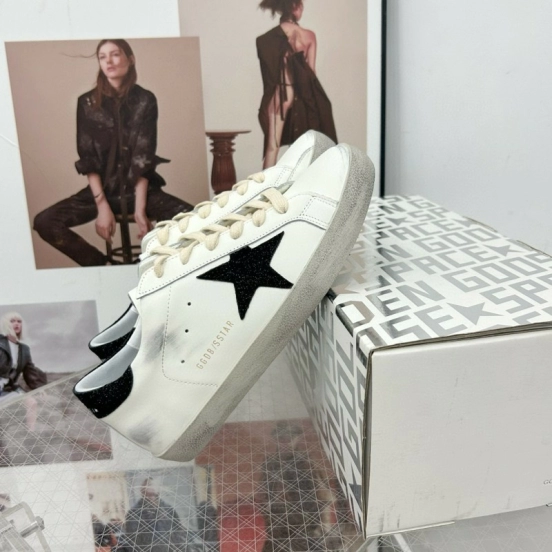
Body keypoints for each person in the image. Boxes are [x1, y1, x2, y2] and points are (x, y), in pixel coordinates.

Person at [33, 39, 193, 267]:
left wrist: (140, 210)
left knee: (194, 219)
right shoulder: (87, 102)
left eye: (115, 54)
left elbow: (143, 158)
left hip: (138, 191)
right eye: (102, 57)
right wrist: (101, 205)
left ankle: (144, 266)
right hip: (102, 191)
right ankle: (103, 266)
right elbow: (88, 159)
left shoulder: (145, 100)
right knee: (45, 222)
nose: (109, 61)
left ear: (130, 59)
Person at [257, 0, 337, 168]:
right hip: (301, 99)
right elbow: (311, 73)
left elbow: (269, 73)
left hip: (279, 97)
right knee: (303, 151)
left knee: (272, 148)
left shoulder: (268, 38)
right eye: (301, 8)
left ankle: (266, 184)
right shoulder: (309, 35)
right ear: (295, 7)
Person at [0, 312, 46, 401]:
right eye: (12, 321)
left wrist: (39, 388)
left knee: (31, 402)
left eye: (19, 321)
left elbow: (30, 373)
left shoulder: (24, 349)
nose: (16, 323)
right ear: (5, 324)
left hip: (8, 388)